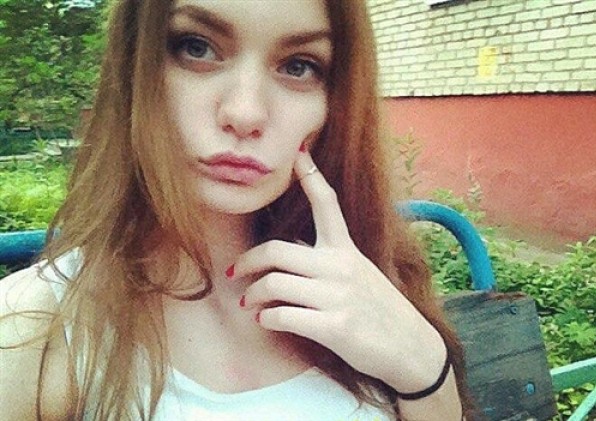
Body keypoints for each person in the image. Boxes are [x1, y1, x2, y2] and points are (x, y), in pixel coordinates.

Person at [0, 0, 475, 419]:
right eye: (197, 48)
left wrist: (424, 368)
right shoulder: (33, 325)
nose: (246, 114)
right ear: (134, 67)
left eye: (298, 66)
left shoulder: (368, 277)